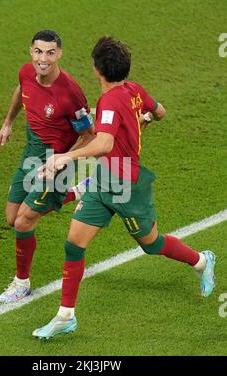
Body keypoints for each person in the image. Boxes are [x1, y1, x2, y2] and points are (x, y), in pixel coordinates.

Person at [32, 36, 216, 339]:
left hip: (127, 186)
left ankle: (201, 260)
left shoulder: (109, 101)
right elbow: (160, 112)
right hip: (104, 182)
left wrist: (65, 156)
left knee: (151, 244)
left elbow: (103, 142)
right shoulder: (133, 90)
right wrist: (142, 120)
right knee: (74, 243)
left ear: (96, 69)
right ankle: (66, 316)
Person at [0, 30, 95, 303]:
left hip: (56, 163)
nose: (44, 58)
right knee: (10, 217)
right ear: (31, 52)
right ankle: (79, 192)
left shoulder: (70, 94)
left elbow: (90, 136)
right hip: (31, 154)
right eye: (39, 51)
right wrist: (8, 123)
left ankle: (21, 282)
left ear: (59, 54)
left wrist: (61, 160)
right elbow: (21, 90)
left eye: (50, 52)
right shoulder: (26, 73)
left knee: (23, 222)